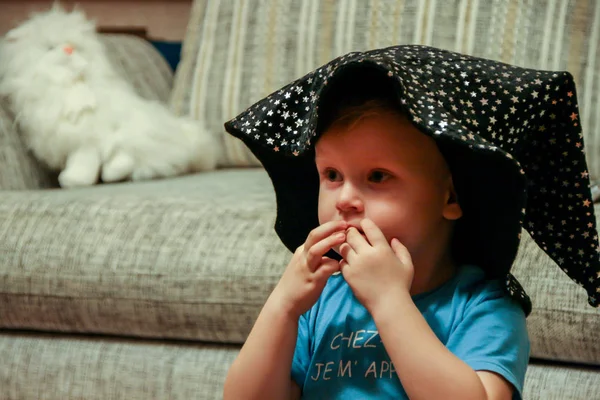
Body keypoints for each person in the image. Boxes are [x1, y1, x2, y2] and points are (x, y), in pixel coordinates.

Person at [222, 45, 600, 399]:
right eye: (332, 175)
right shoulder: (321, 301)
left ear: (451, 197)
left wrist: (389, 301)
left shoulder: (483, 306)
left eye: (377, 177)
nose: (345, 199)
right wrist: (282, 307)